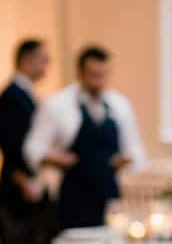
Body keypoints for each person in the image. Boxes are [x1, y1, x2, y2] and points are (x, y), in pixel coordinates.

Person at [23, 45, 146, 231]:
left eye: (104, 75)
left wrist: (125, 159)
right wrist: (57, 159)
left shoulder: (120, 105)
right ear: (80, 73)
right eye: (93, 75)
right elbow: (33, 148)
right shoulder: (57, 105)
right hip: (74, 195)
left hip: (108, 195)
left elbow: (135, 150)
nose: (99, 81)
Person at [0, 38, 51, 244]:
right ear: (27, 60)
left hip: (30, 189)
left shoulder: (27, 95)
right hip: (18, 192)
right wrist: (24, 179)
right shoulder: (11, 97)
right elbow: (10, 143)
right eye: (44, 60)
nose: (47, 67)